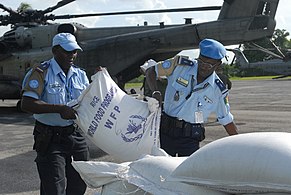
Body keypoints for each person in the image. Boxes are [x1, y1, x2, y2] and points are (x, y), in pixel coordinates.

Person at [21, 33, 89, 195]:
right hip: (50, 138)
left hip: (75, 135)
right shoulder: (41, 73)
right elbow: (27, 103)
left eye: (74, 51)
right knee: (53, 187)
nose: (72, 55)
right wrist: (60, 109)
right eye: (67, 51)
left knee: (79, 184)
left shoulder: (80, 75)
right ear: (55, 51)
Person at [146, 38, 239, 157]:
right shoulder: (179, 65)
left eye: (209, 64)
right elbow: (151, 71)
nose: (204, 67)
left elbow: (226, 119)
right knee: (160, 168)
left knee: (185, 172)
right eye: (201, 62)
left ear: (218, 64)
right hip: (165, 133)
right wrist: (156, 91)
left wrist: (241, 143)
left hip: (190, 139)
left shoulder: (218, 90)